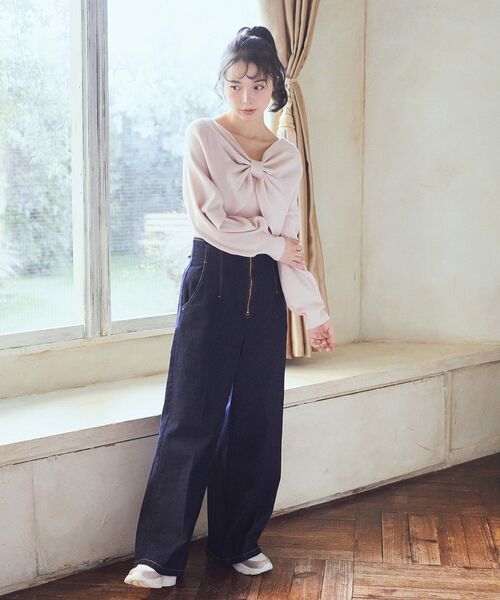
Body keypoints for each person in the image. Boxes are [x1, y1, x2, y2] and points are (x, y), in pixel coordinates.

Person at [124, 25, 335, 589]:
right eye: (236, 83)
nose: (246, 96)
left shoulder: (287, 156)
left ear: (275, 88)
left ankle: (237, 541)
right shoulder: (203, 136)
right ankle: (159, 557)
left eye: (258, 85)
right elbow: (210, 223)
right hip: (211, 282)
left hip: (265, 292)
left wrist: (313, 311)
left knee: (257, 421)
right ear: (223, 82)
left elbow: (289, 242)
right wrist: (267, 240)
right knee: (189, 417)